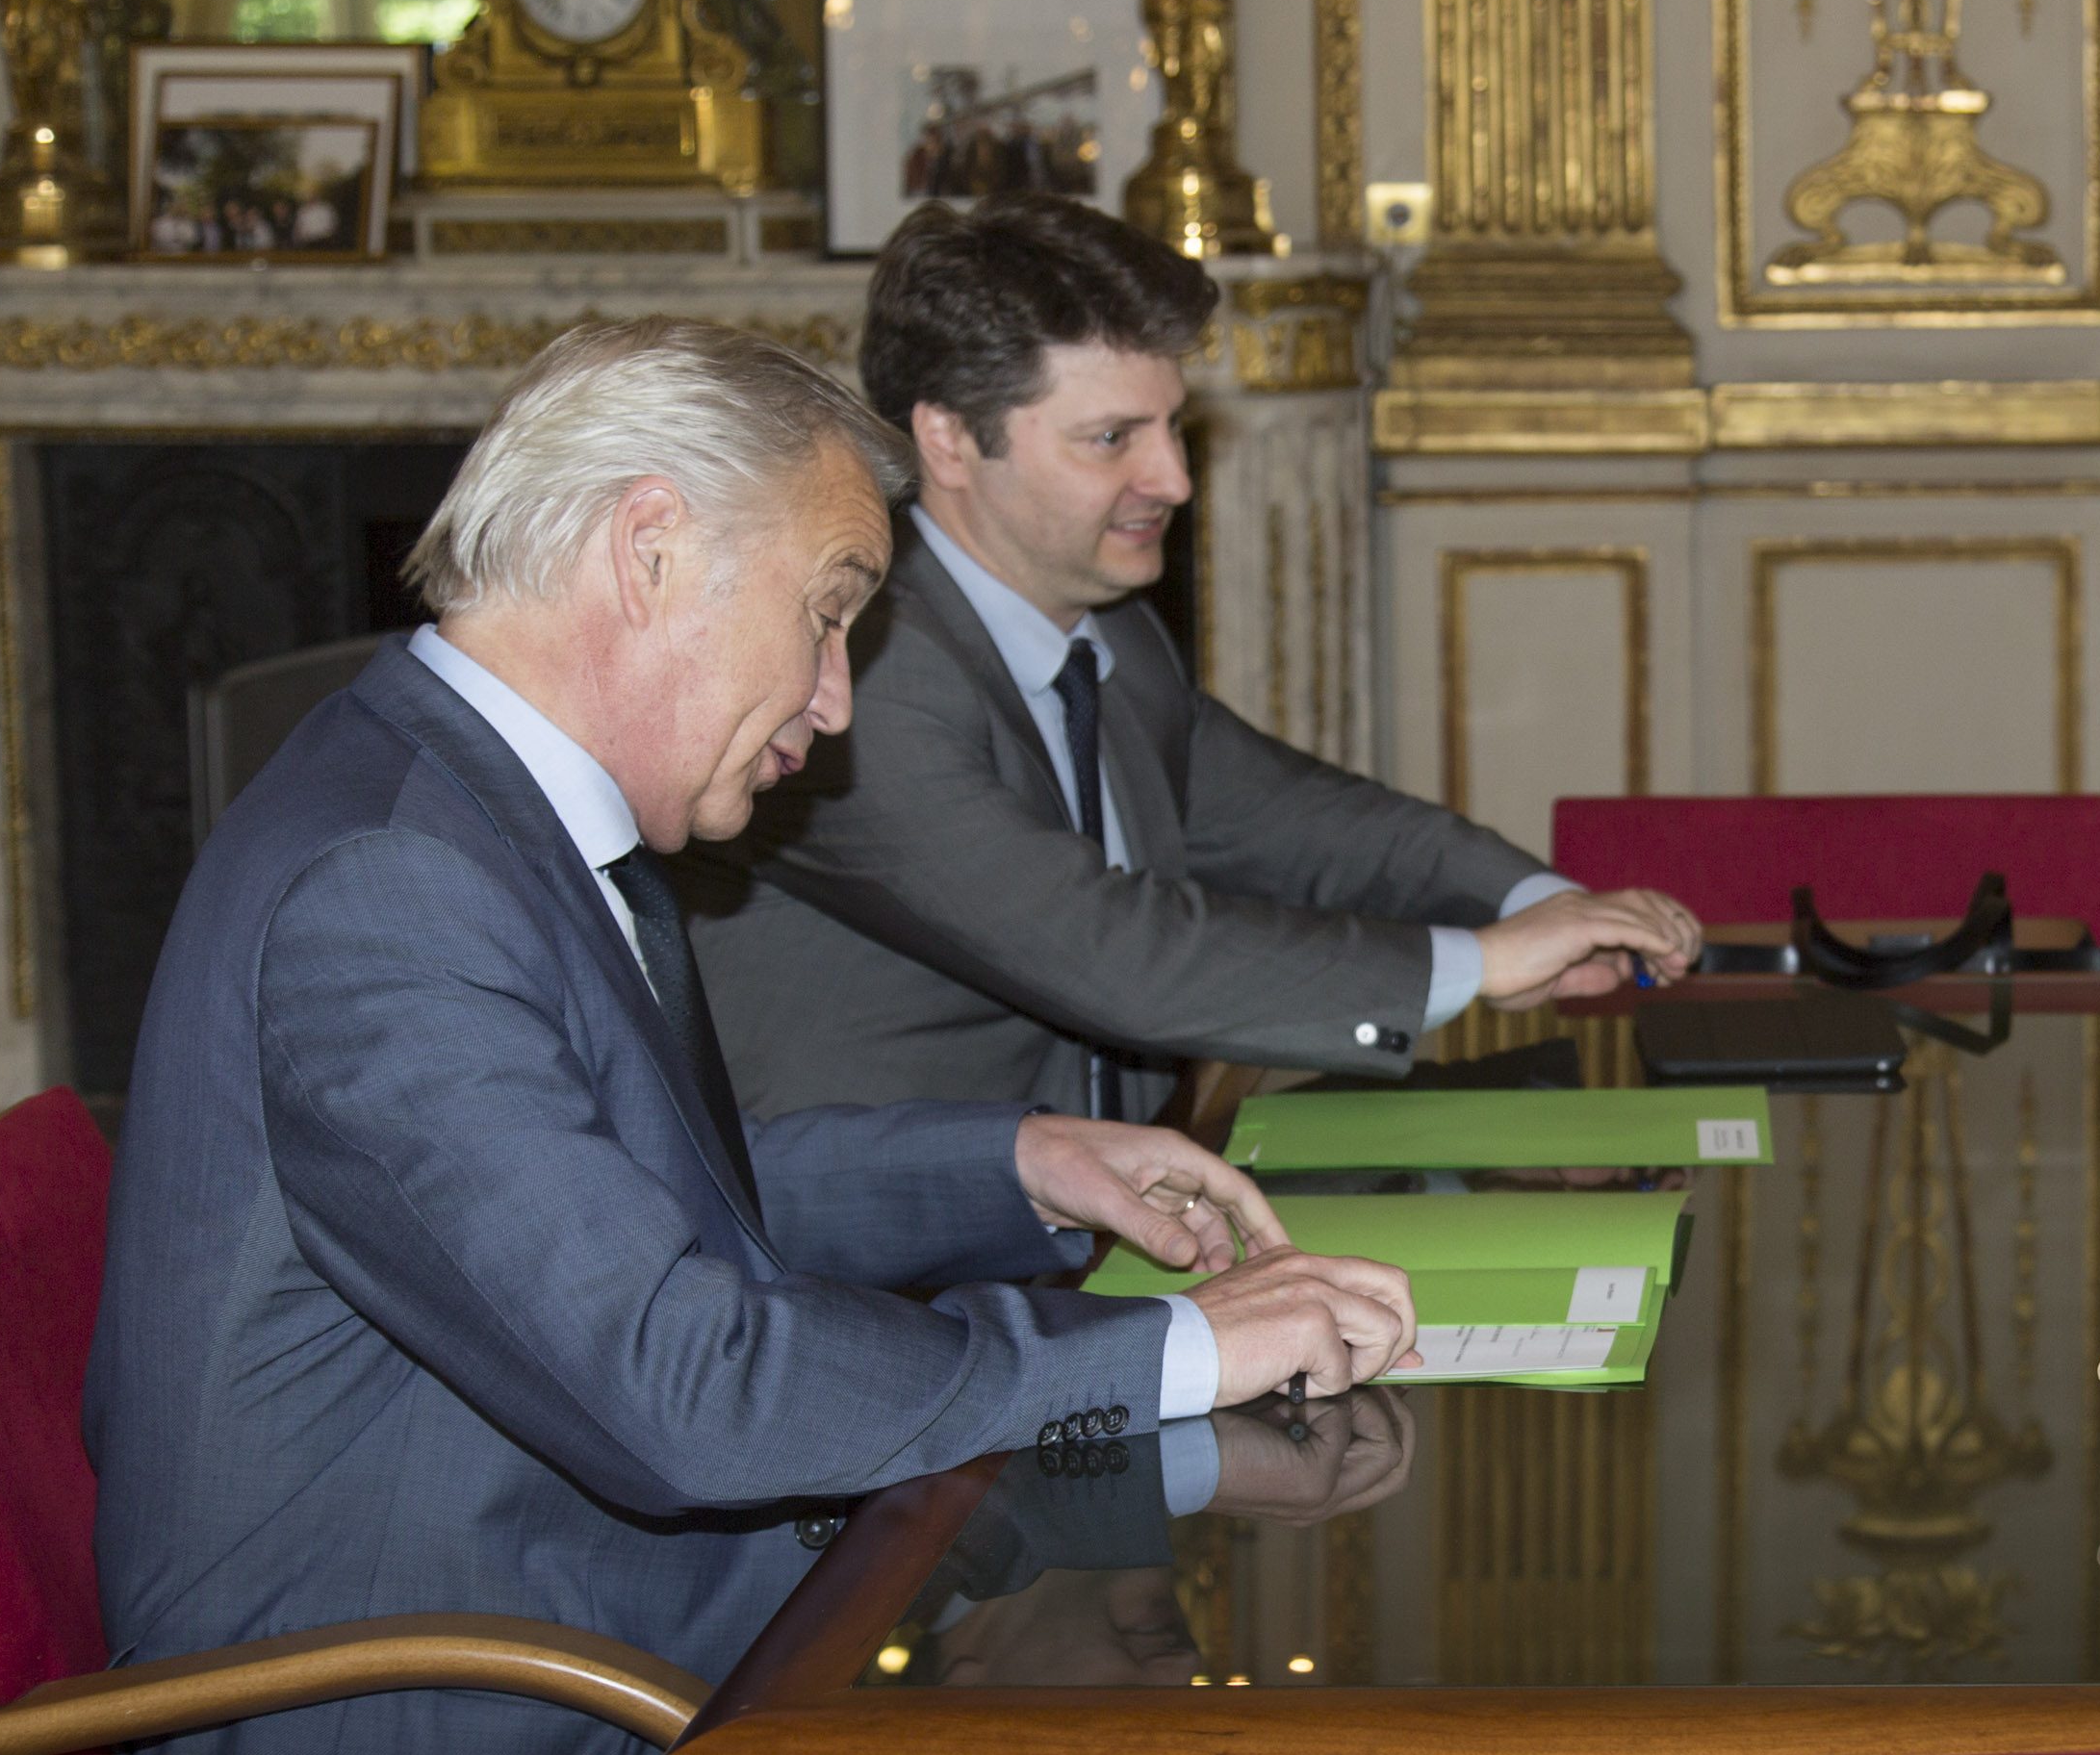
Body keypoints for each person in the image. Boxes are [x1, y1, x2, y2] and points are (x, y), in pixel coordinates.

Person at [87, 319, 1421, 1755]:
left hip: (576, 1639)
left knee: (1146, 1744)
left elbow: (618, 1193)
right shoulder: (391, 880)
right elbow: (679, 1378)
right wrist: (1167, 1349)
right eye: (827, 613)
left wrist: (1018, 1161)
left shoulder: (460, 804)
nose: (835, 698)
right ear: (648, 551)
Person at [685, 193, 1702, 1123]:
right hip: (884, 1271)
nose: (1170, 477)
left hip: (1110, 1211)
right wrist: (1478, 961)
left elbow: (1306, 822)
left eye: (1172, 426)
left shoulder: (1109, 623)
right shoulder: (863, 659)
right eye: (1112, 437)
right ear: (948, 441)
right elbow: (1110, 950)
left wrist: (1539, 904)